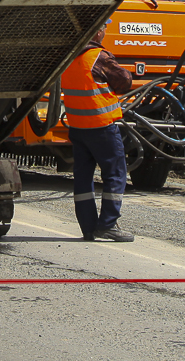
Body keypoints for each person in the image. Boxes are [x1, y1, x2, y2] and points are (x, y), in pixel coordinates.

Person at [60, 25, 135, 242]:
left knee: (82, 178)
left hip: (77, 127)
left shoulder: (68, 57)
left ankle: (88, 228)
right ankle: (108, 224)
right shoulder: (98, 57)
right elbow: (124, 81)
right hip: (101, 127)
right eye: (104, 27)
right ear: (98, 32)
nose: (105, 31)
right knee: (115, 174)